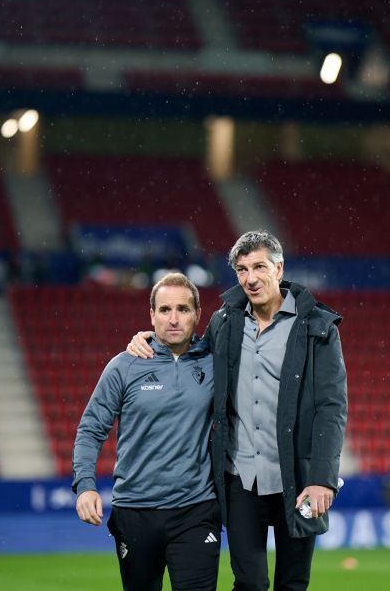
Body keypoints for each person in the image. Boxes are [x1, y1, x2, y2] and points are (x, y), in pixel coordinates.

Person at [127, 231, 348, 591]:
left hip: (298, 476)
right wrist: (149, 338)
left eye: (259, 266)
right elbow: (190, 357)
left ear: (279, 269)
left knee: (293, 583)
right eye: (242, 269)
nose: (250, 278)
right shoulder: (224, 322)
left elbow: (331, 408)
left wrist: (322, 478)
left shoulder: (317, 329)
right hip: (241, 477)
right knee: (250, 583)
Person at [73, 273, 220, 591]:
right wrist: (85, 486)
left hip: (196, 510)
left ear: (197, 314)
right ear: (151, 315)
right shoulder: (124, 366)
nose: (174, 318)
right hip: (135, 510)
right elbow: (91, 429)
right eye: (165, 310)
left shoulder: (216, 363)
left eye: (183, 309)